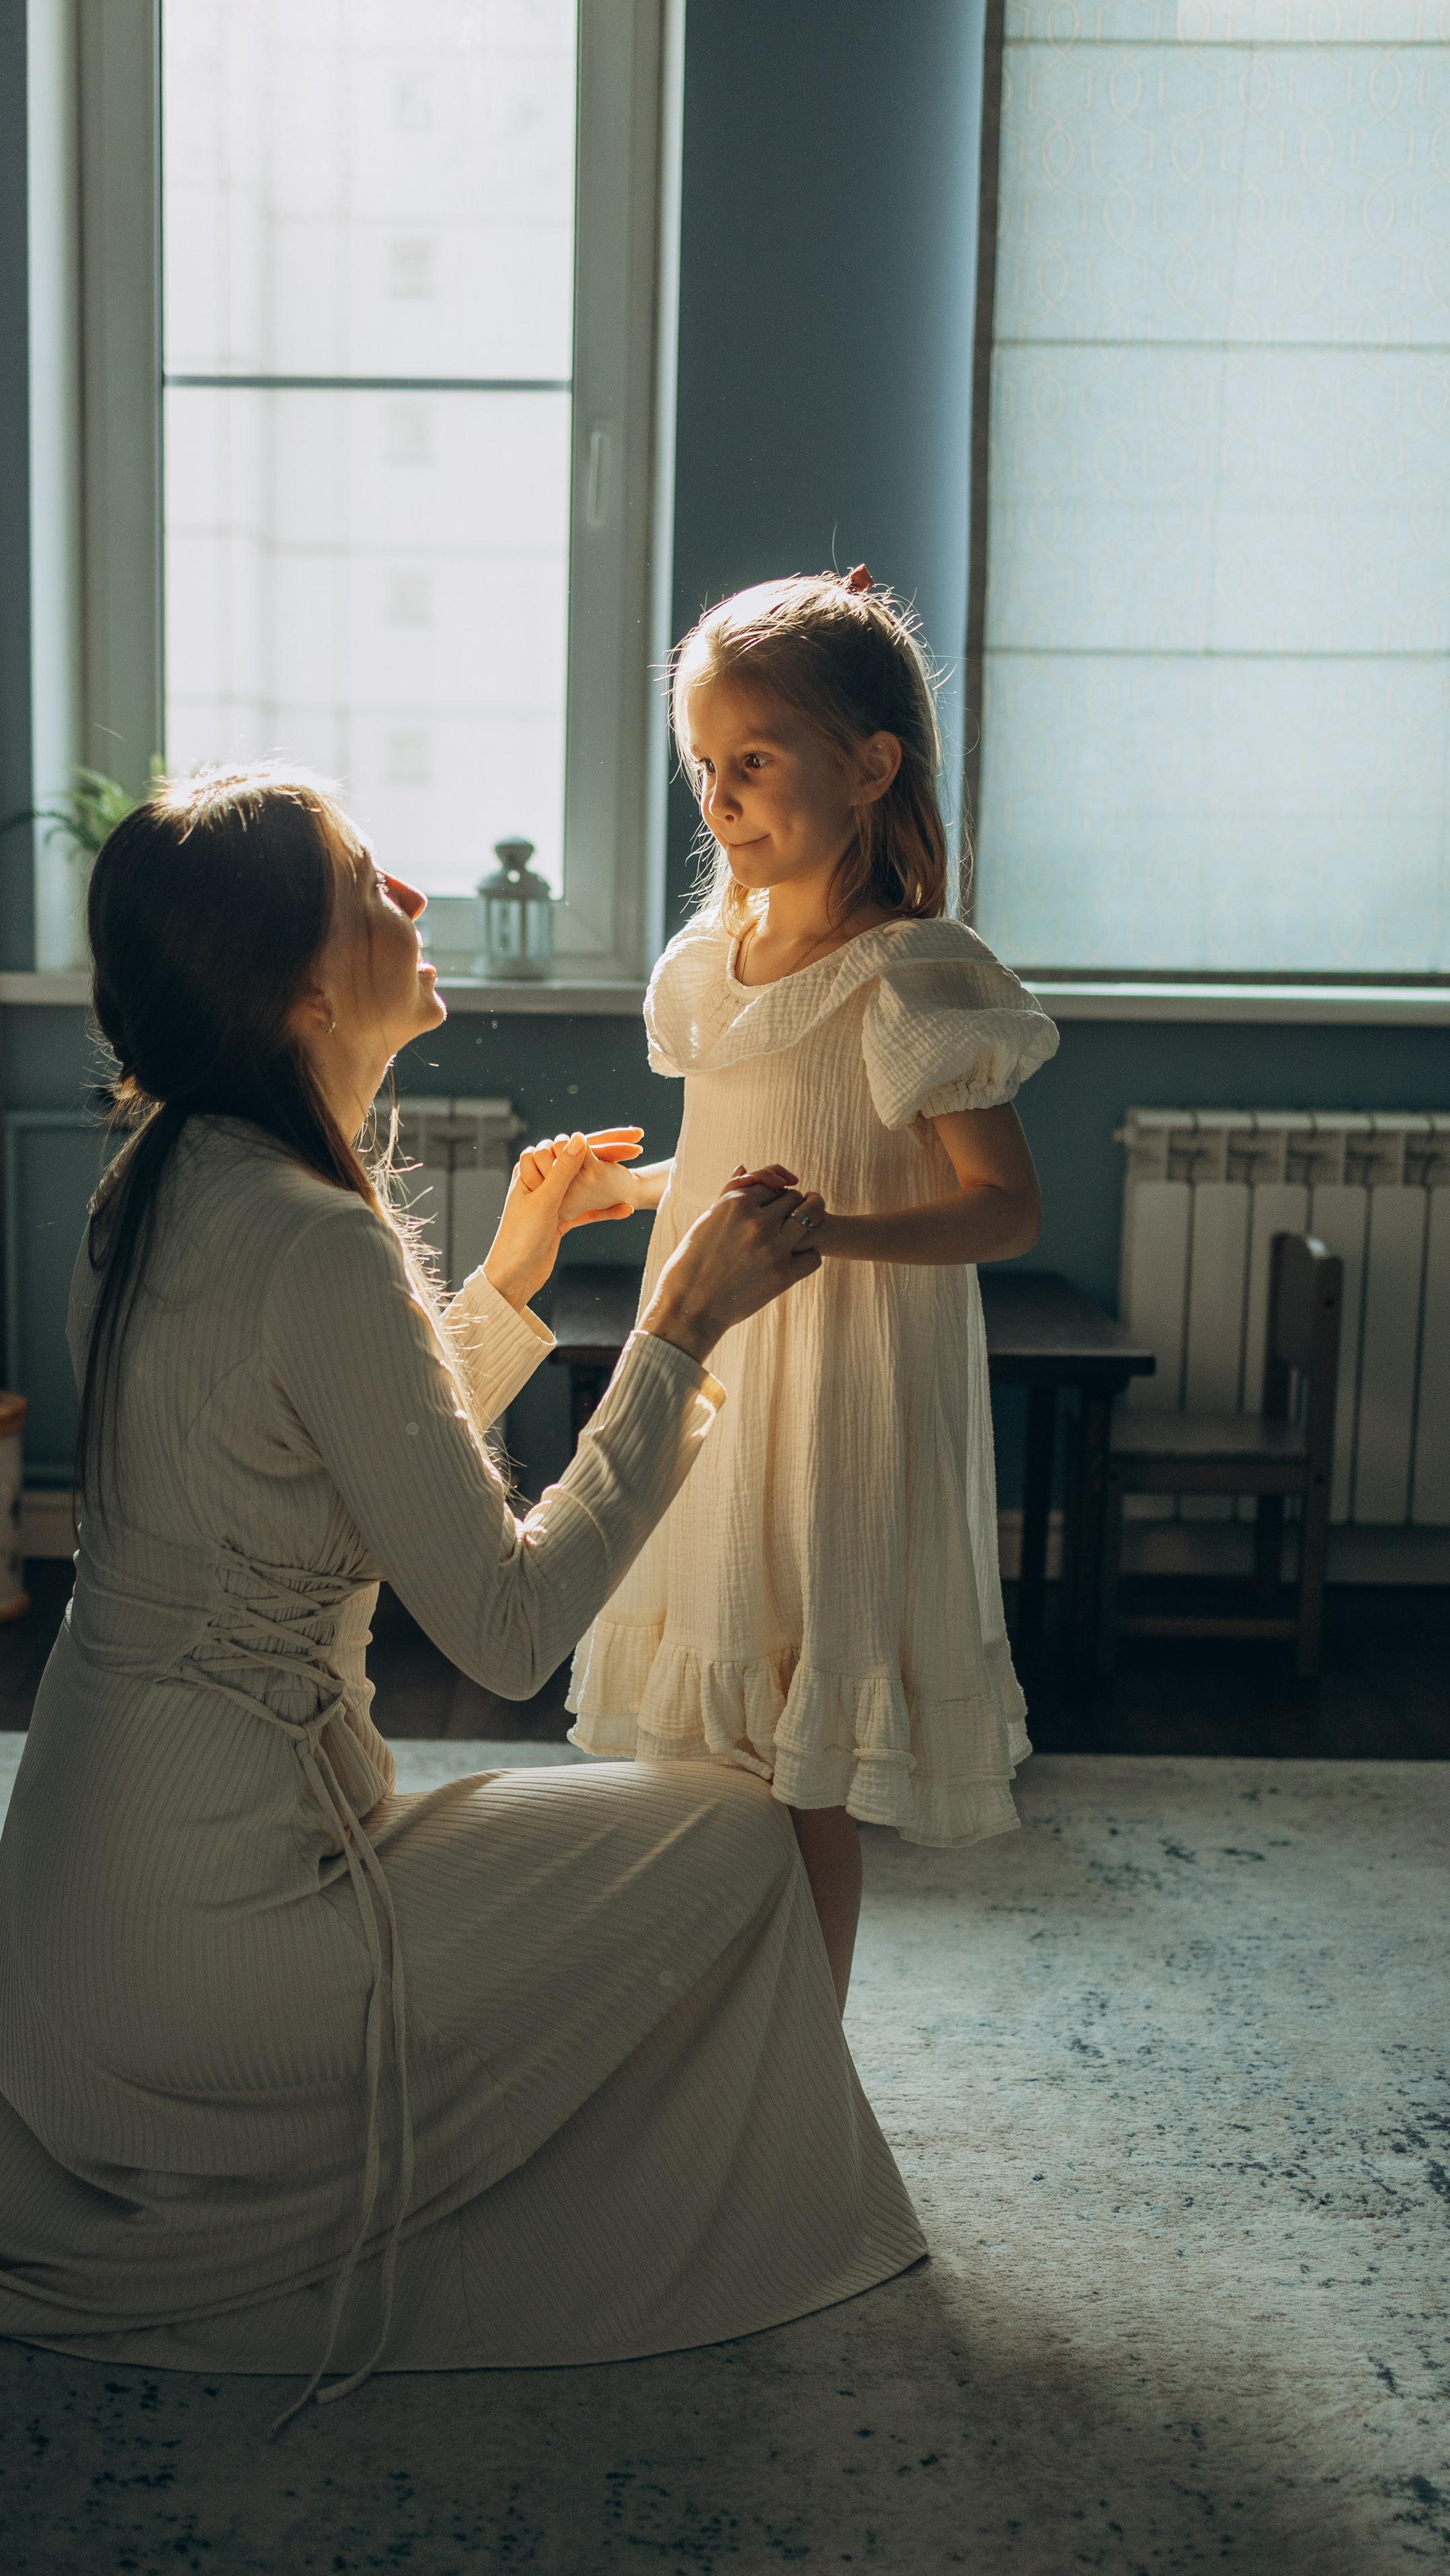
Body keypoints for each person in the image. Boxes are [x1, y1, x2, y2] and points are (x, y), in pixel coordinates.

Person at [0, 764, 926, 2418]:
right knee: (738, 1836)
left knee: (660, 1834)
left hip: (74, 1944)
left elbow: (318, 1463)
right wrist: (675, 1331)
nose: (411, 900)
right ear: (297, 987)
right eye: (369, 886)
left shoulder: (153, 1182)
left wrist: (509, 1276)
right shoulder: (314, 1238)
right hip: (216, 1955)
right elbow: (505, 1631)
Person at [533, 568, 1059, 2008]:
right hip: (718, 1373)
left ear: (869, 766)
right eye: (702, 767)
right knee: (712, 1751)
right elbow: (729, 1162)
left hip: (840, 1391)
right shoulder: (714, 965)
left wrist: (832, 1236)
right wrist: (622, 1193)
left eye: (753, 762)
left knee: (797, 1761)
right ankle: (719, 2026)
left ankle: (802, 2056)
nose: (718, 799)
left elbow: (1005, 1209)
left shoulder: (914, 977)